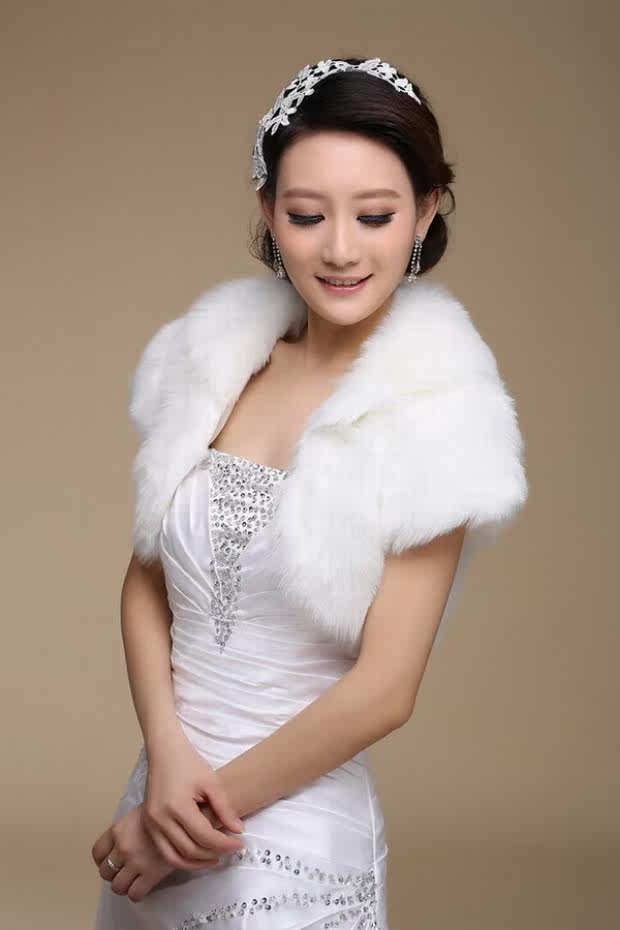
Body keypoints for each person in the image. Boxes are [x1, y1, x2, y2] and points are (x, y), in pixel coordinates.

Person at [92, 56, 529, 929]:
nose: (339, 249)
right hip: (158, 802)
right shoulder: (209, 364)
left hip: (288, 841)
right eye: (305, 215)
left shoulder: (439, 411)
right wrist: (166, 769)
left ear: (426, 212)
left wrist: (184, 826)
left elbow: (385, 690)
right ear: (268, 213)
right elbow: (145, 581)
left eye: (375, 215)